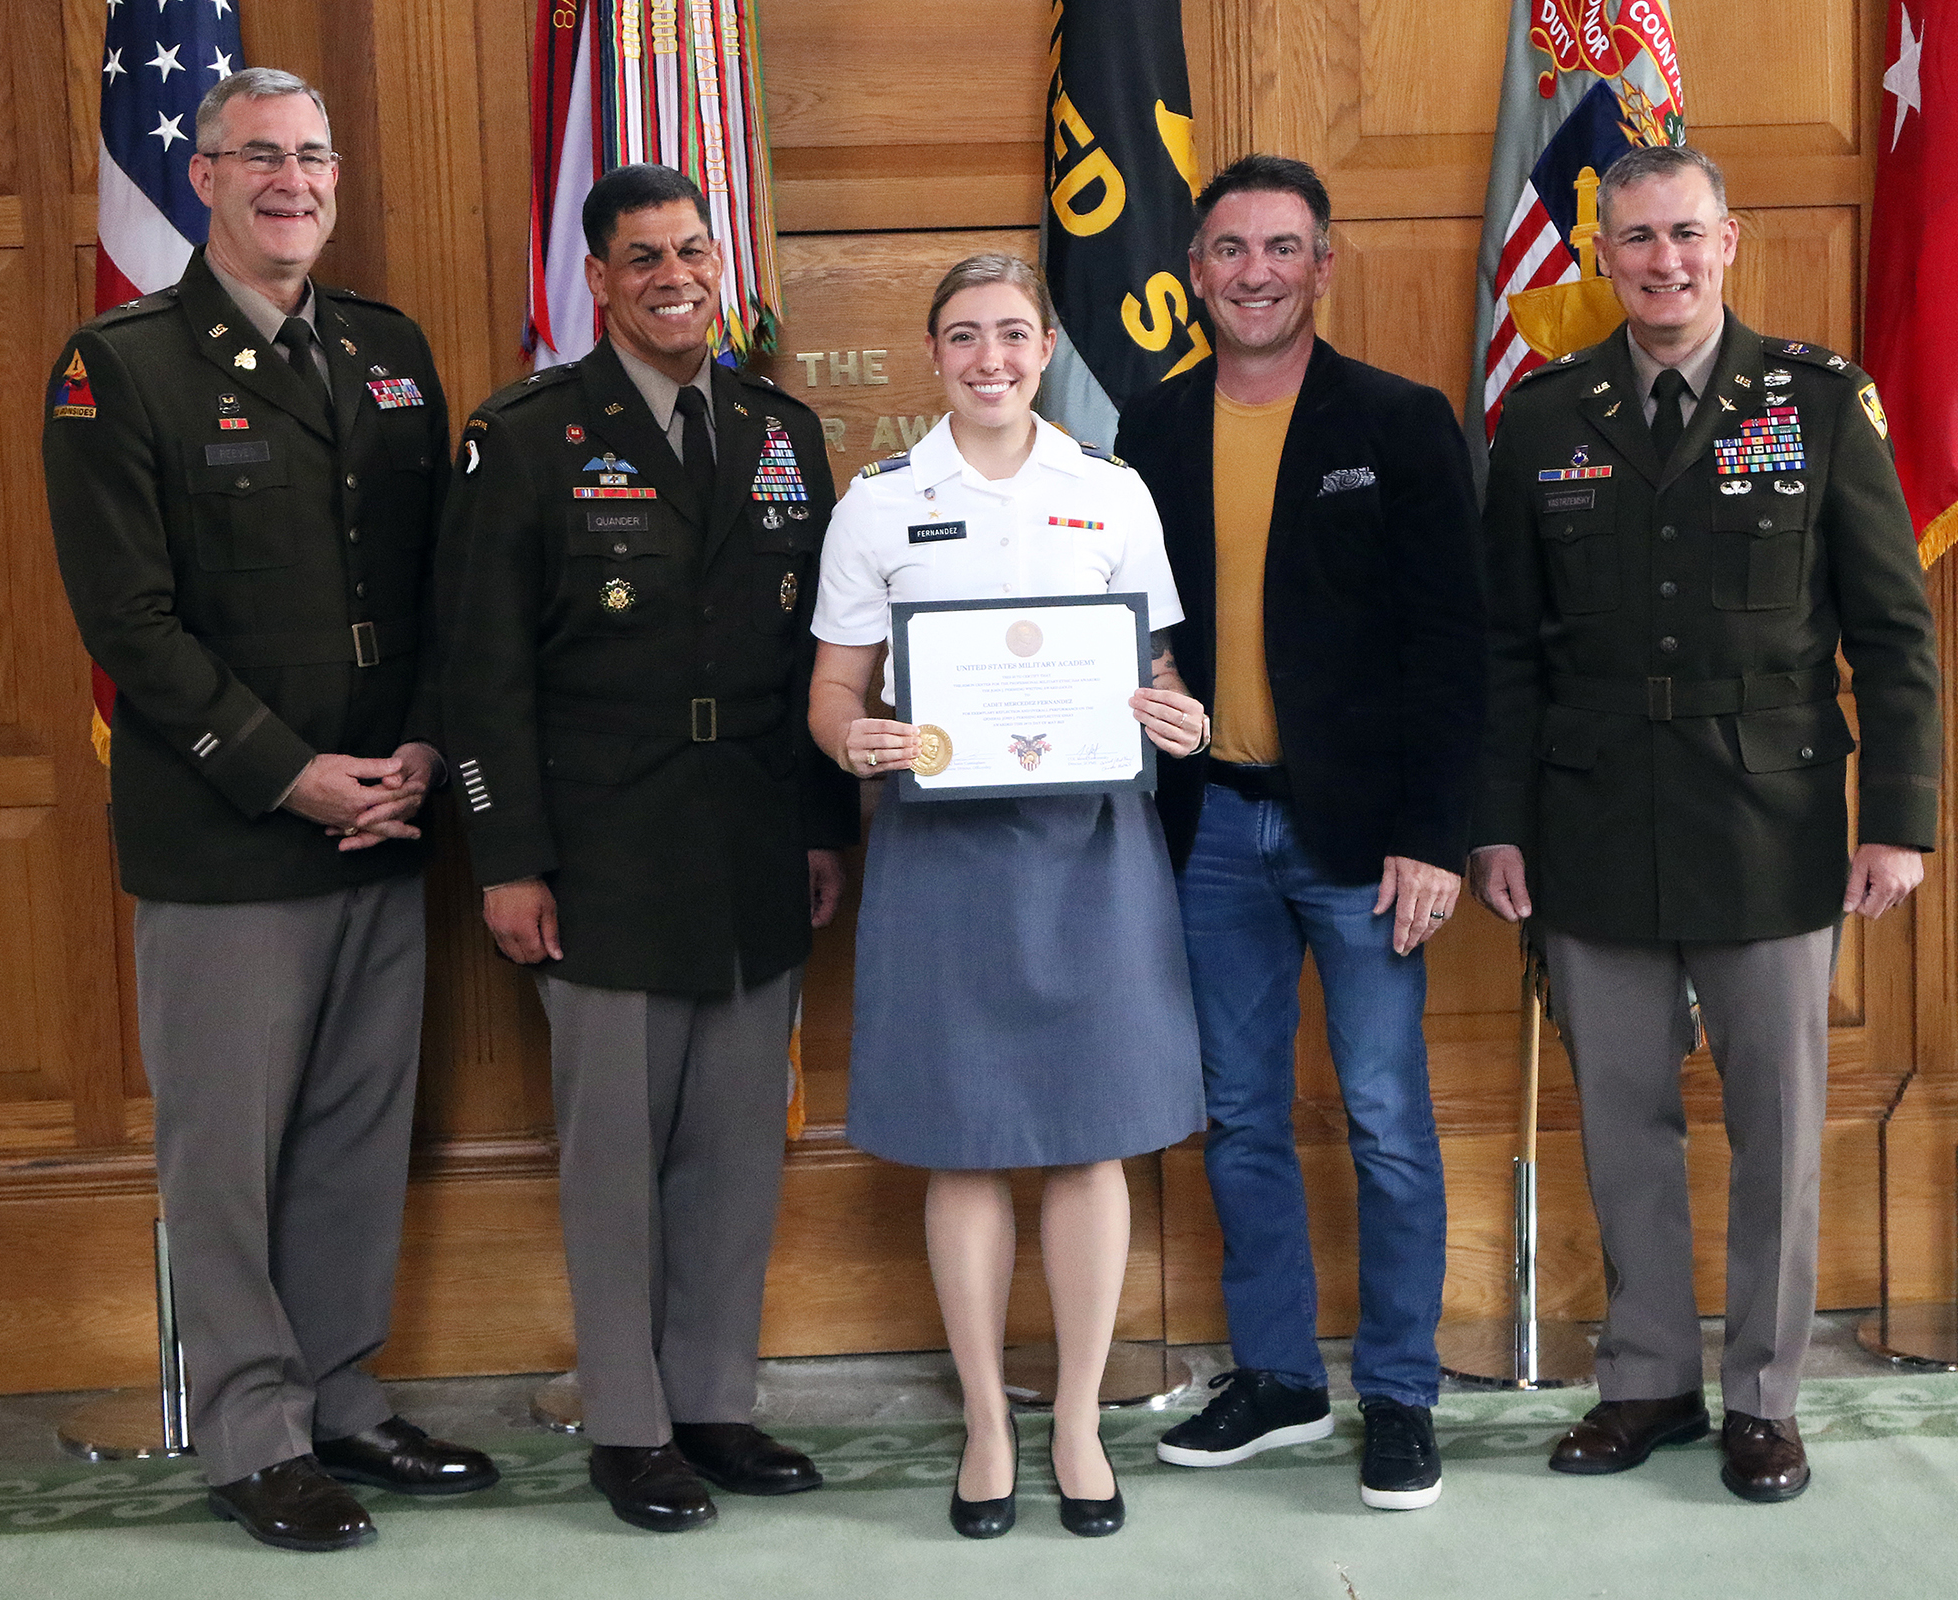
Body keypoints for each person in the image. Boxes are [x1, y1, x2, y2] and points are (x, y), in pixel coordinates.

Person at [41, 68, 497, 1553]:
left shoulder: (386, 349)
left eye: (313, 156)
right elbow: (129, 621)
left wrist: (420, 748)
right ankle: (252, 1436)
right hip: (231, 832)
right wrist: (288, 772)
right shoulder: (121, 365)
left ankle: (342, 1403)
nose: (292, 180)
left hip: (386, 811)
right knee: (228, 1158)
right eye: (260, 157)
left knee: (358, 1134)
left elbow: (437, 580)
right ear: (204, 177)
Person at [1469, 144, 1940, 1503]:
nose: (1662, 260)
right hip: (1592, 816)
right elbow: (1506, 651)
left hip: (1769, 818)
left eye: (1685, 233)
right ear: (1601, 254)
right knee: (1623, 1120)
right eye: (1635, 238)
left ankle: (1765, 1398)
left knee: (1777, 1129)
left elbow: (1893, 633)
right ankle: (1647, 1381)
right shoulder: (1544, 416)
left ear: (1729, 240)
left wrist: (1898, 818)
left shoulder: (1817, 400)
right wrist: (1497, 824)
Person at [438, 163, 858, 1534]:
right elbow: (480, 671)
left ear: (720, 261)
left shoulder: (782, 430)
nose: (675, 277)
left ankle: (716, 1403)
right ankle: (629, 1425)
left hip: (754, 839)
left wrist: (822, 825)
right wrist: (507, 857)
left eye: (692, 250)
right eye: (643, 258)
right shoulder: (529, 434)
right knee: (615, 1160)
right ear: (599, 280)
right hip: (600, 851)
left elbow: (818, 656)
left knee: (736, 1150)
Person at [808, 254, 1208, 1541]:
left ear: (1045, 350)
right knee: (964, 1136)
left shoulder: (1111, 490)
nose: (991, 358)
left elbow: (1155, 668)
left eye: (1014, 334)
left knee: (1095, 1135)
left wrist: (1180, 715)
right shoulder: (880, 503)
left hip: (1092, 847)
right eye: (966, 336)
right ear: (934, 354)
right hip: (944, 855)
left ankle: (1078, 1419)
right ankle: (987, 1421)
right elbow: (833, 691)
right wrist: (853, 738)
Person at [1112, 154, 1483, 1513]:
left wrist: (1435, 836)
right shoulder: (1150, 427)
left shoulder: (1401, 421)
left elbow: (1454, 646)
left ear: (1324, 264)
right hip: (1209, 829)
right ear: (1194, 272)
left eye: (1281, 248)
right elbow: (1129, 619)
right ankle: (1277, 1378)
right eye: (1229, 250)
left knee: (1386, 1119)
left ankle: (1400, 1393)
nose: (1255, 273)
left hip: (1368, 843)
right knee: (1239, 1118)